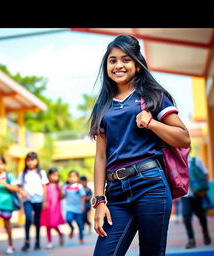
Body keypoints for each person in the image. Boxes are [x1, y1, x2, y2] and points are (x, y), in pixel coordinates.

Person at [88, 34, 191, 256]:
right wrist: (98, 202)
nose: (118, 65)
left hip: (150, 185)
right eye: (112, 60)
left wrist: (152, 123)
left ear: (137, 64)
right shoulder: (102, 106)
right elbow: (100, 157)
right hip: (115, 192)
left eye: (125, 59)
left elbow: (183, 138)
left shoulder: (154, 96)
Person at [17, 152, 49, 251]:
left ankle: (37, 242)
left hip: (39, 200)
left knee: (37, 221)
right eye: (28, 160)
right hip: (27, 200)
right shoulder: (22, 174)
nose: (31, 162)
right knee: (28, 219)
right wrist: (22, 193)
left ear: (37, 161)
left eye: (33, 160)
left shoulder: (41, 172)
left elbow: (44, 187)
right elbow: (19, 187)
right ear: (26, 162)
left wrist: (44, 200)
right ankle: (26, 242)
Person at [181, 153, 212, 249]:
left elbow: (206, 174)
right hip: (185, 194)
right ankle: (191, 240)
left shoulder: (196, 160)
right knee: (186, 216)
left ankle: (206, 234)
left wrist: (204, 189)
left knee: (201, 215)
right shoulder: (178, 162)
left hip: (197, 193)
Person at [40, 167, 65, 249]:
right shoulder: (45, 185)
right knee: (48, 225)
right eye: (53, 175)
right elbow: (44, 194)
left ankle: (60, 233)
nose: (55, 177)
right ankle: (49, 242)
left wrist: (61, 189)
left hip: (55, 208)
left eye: (56, 175)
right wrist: (44, 202)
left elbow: (62, 197)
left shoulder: (58, 185)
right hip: (47, 207)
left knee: (53, 223)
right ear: (49, 175)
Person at [62, 170, 86, 244]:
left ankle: (81, 238)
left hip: (78, 208)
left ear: (78, 178)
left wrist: (82, 206)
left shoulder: (79, 186)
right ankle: (72, 228)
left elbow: (83, 197)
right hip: (69, 208)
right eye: (70, 176)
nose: (72, 178)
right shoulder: (66, 187)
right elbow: (62, 196)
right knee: (68, 219)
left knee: (79, 223)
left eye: (74, 176)